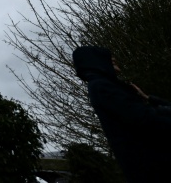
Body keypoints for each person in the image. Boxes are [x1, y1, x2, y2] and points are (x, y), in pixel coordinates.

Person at [72, 46, 171, 183]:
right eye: (107, 57)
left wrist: (149, 99)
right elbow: (143, 118)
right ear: (95, 61)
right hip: (153, 168)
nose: (113, 58)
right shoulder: (101, 87)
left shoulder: (104, 86)